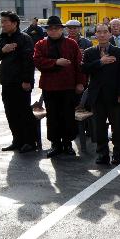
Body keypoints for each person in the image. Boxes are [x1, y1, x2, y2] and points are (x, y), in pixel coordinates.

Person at [33, 16, 85, 157]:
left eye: (56, 28)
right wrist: (56, 62)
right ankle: (55, 144)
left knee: (68, 116)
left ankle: (68, 144)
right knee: (53, 116)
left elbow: (79, 65)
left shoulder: (71, 44)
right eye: (50, 29)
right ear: (47, 30)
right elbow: (37, 62)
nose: (53, 31)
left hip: (68, 86)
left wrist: (80, 82)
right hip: (50, 86)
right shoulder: (40, 44)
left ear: (62, 29)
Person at [81, 23, 120, 165]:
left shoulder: (119, 53)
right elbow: (84, 69)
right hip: (97, 96)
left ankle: (118, 153)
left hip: (115, 96)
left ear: (110, 34)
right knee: (99, 127)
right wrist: (100, 62)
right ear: (95, 34)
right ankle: (102, 153)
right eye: (99, 32)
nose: (102, 35)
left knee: (118, 126)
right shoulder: (89, 52)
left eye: (105, 32)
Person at [0, 10, 37, 153]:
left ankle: (30, 142)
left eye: (5, 21)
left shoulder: (24, 38)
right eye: (2, 21)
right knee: (10, 112)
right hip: (7, 82)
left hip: (21, 83)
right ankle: (17, 140)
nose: (2, 24)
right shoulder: (2, 39)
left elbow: (29, 61)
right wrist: (3, 50)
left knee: (24, 112)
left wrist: (27, 80)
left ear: (14, 23)